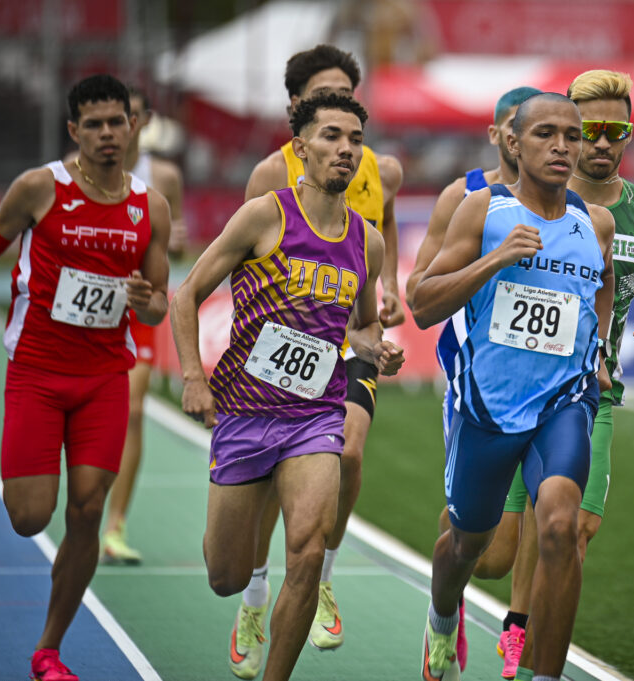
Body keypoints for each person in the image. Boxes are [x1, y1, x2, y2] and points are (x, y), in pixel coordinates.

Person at [169, 92, 404, 681]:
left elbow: (364, 322)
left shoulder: (366, 242)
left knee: (305, 551)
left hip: (316, 417)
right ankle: (240, 580)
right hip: (245, 414)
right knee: (226, 575)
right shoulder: (263, 216)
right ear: (301, 148)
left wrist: (376, 347)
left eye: (354, 139)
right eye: (330, 136)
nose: (345, 150)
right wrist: (194, 378)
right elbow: (186, 295)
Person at [0, 74, 171, 681]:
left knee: (86, 510)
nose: (109, 133)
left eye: (118, 121)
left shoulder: (150, 205)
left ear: (133, 126)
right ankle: (48, 642)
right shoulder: (39, 188)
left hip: (104, 376)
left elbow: (157, 306)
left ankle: (48, 651)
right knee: (29, 515)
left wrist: (142, 298)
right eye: (95, 124)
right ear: (74, 130)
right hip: (38, 373)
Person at [412, 92, 616, 681]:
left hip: (564, 401)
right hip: (489, 409)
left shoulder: (593, 222)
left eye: (571, 137)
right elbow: (424, 303)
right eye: (546, 134)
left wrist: (598, 349)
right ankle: (442, 619)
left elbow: (599, 289)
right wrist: (495, 260)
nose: (562, 146)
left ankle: (543, 674)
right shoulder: (483, 210)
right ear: (512, 142)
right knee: (469, 549)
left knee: (560, 524)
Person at [229, 44, 405, 676]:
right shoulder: (266, 176)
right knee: (271, 483)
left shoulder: (381, 166)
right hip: (281, 351)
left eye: (347, 103)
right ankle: (251, 594)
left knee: (349, 454)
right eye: (322, 109)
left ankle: (319, 575)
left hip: (348, 338)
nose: (343, 139)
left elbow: (381, 233)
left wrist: (387, 300)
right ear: (297, 116)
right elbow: (242, 266)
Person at [504, 69, 634, 681]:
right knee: (495, 550)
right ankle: (472, 614)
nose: (601, 144)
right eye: (591, 130)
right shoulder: (525, 197)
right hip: (512, 389)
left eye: (616, 131)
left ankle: (534, 660)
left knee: (573, 529)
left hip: (589, 392)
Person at [405, 84, 542, 676]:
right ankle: (449, 596)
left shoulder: (569, 202)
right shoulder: (465, 195)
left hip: (552, 383)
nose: (532, 138)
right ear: (497, 135)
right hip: (478, 377)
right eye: (517, 125)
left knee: (556, 511)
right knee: (485, 553)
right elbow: (420, 290)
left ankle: (523, 631)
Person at [99, 85, 187, 565]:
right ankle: (85, 503)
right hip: (91, 309)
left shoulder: (164, 177)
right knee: (94, 406)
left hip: (143, 306)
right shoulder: (76, 168)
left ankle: (116, 524)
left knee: (132, 411)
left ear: (145, 119)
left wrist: (175, 244)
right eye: (109, 118)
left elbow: (176, 244)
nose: (119, 127)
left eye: (129, 116)